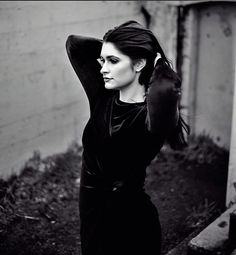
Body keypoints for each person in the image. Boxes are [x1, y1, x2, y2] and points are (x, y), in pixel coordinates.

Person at [66, 20, 189, 255]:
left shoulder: (150, 117)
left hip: (127, 219)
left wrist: (159, 63)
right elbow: (74, 44)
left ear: (140, 63)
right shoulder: (103, 94)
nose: (103, 68)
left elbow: (164, 91)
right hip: (92, 209)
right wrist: (115, 46)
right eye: (102, 61)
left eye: (112, 61)